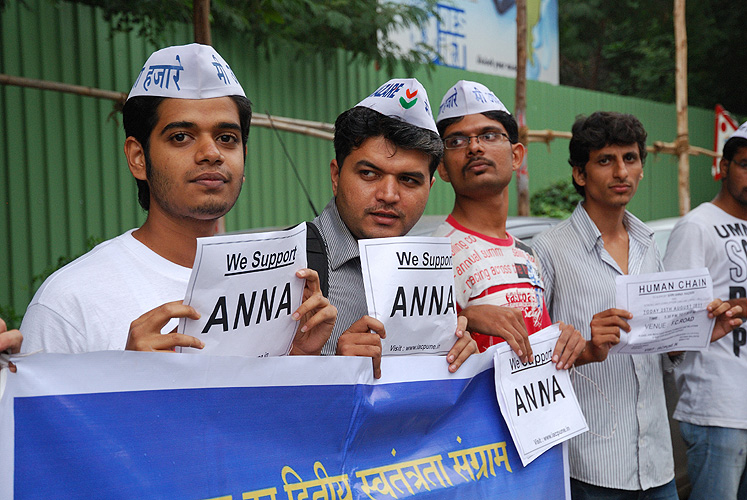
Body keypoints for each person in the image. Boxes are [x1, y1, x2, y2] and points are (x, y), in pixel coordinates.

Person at [20, 44, 335, 356]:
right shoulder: (69, 302)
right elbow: (37, 408)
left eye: (227, 138)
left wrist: (296, 357)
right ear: (138, 157)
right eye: (181, 137)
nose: (211, 154)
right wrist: (125, 377)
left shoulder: (280, 291)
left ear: (244, 157)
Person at [531, 111, 742, 499]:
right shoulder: (547, 252)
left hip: (658, 462)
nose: (621, 172)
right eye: (605, 160)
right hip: (589, 463)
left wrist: (698, 334)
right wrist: (586, 348)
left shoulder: (648, 245)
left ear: (642, 168)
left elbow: (658, 348)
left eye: (630, 158)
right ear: (580, 174)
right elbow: (528, 360)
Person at [309, 78, 476, 378]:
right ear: (336, 175)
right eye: (369, 173)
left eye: (409, 180)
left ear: (430, 186)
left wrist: (460, 367)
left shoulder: (431, 275)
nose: (388, 194)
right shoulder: (288, 266)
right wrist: (335, 374)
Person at [432, 80, 599, 370]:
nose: (474, 147)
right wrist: (468, 318)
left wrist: (578, 347)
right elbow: (420, 357)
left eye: (489, 135)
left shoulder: (525, 254)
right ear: (443, 168)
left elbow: (538, 359)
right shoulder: (432, 255)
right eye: (456, 141)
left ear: (516, 156)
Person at [662, 122, 747, 500]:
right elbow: (672, 322)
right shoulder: (697, 227)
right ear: (723, 166)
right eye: (745, 164)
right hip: (718, 411)